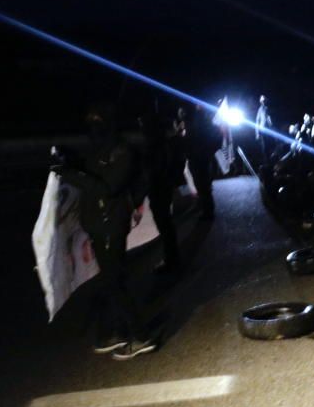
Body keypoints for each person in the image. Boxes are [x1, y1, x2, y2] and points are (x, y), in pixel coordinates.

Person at [56, 103, 158, 359]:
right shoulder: (100, 149)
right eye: (90, 122)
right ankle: (114, 332)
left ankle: (141, 336)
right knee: (110, 280)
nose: (93, 127)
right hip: (99, 225)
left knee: (114, 282)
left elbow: (106, 186)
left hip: (111, 224)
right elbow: (91, 171)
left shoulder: (122, 151)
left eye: (97, 121)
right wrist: (69, 161)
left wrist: (72, 174)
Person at [139, 99, 181, 274]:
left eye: (143, 124)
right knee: (166, 225)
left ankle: (172, 260)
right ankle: (172, 257)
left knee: (165, 225)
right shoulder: (161, 144)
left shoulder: (156, 146)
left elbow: (155, 170)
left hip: (159, 189)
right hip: (162, 188)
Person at [183, 103, 218, 220]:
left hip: (199, 157)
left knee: (203, 185)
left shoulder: (199, 124)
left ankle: (208, 212)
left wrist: (208, 150)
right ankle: (206, 209)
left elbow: (216, 139)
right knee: (203, 185)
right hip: (199, 157)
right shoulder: (200, 123)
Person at [255, 95, 273, 163]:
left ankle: (269, 163)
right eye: (262, 100)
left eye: (264, 100)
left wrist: (271, 126)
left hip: (268, 131)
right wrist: (257, 133)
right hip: (262, 131)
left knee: (269, 147)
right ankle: (266, 163)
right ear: (260, 101)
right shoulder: (260, 109)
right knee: (264, 148)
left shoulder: (267, 108)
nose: (263, 101)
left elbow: (269, 118)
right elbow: (257, 121)